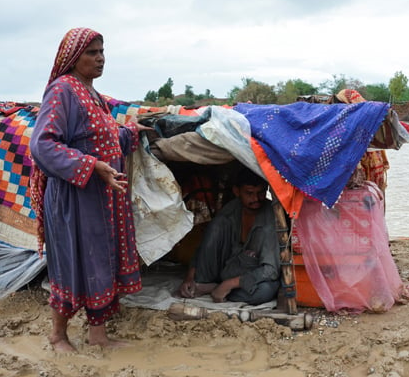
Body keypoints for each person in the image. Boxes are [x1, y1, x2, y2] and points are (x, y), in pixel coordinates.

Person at [29, 27, 152, 352]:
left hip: (101, 198)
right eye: (91, 53)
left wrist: (128, 132)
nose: (100, 58)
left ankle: (98, 336)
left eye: (102, 51)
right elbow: (42, 145)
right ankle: (58, 336)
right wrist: (92, 166)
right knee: (72, 262)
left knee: (101, 261)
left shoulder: (91, 93)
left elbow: (101, 138)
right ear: (72, 58)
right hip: (75, 200)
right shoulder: (62, 91)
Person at [177, 168, 281, 305]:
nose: (256, 199)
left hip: (250, 276)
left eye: (260, 193)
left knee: (264, 291)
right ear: (237, 191)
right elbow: (204, 247)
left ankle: (214, 288)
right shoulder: (231, 210)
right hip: (225, 269)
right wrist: (190, 277)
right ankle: (205, 284)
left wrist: (230, 284)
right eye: (249, 193)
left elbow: (271, 270)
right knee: (216, 225)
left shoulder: (270, 220)